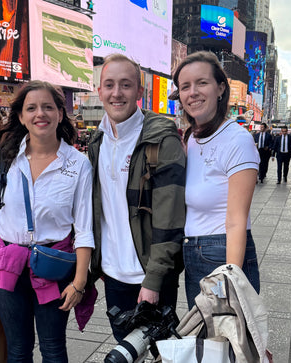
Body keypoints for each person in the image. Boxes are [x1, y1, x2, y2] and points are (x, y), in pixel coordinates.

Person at [0, 81, 94, 362]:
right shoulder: (4, 158)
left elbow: (85, 228)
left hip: (53, 265)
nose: (41, 114)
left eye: (48, 107)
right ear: (22, 117)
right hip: (6, 264)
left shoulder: (77, 164)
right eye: (32, 108)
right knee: (17, 348)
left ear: (60, 114)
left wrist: (79, 282)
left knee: (52, 347)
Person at [87, 53, 185, 341]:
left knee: (158, 353)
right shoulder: (98, 141)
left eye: (126, 85)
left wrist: (154, 281)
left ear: (140, 92)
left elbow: (171, 218)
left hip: (151, 276)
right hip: (114, 276)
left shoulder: (161, 139)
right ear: (100, 90)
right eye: (109, 85)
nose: (117, 93)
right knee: (124, 351)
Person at [173, 51, 260, 309]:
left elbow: (236, 221)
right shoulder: (191, 138)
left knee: (231, 342)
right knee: (207, 343)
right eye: (185, 86)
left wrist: (229, 280)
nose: (193, 92)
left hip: (222, 252)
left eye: (202, 83)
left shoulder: (237, 140)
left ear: (221, 88)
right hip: (194, 252)